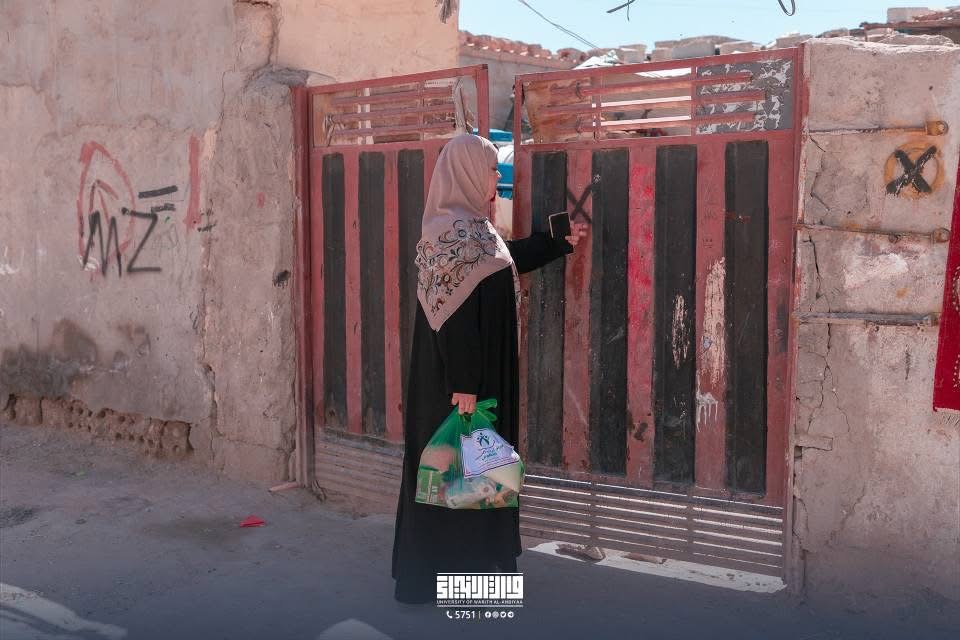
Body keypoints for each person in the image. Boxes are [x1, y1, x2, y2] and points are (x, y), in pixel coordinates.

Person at [391, 133, 588, 604]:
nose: (497, 177)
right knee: (454, 478)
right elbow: (455, 319)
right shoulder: (450, 236)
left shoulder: (475, 232)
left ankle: (470, 576)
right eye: (490, 168)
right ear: (465, 172)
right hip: (460, 386)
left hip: (476, 380)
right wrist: (464, 384)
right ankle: (452, 580)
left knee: (475, 476)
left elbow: (502, 262)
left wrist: (553, 242)